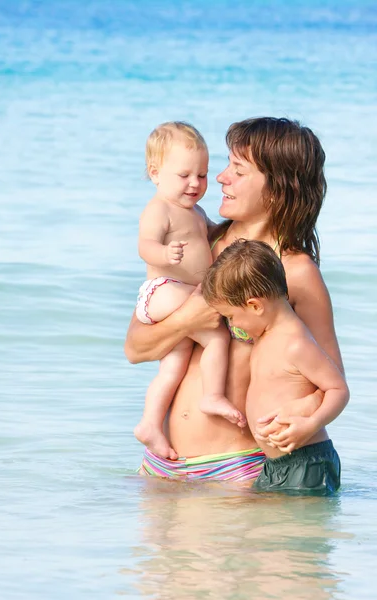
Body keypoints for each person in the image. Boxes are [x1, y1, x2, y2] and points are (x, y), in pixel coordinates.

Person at [125, 116, 345, 486]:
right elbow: (135, 348)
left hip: (234, 467)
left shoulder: (294, 271)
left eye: (238, 170)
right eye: (226, 166)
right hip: (163, 463)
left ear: (276, 188)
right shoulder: (202, 247)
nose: (222, 178)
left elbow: (331, 379)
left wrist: (302, 418)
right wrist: (189, 318)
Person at [134, 121, 245, 461]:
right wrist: (163, 254)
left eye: (202, 175)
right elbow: (144, 244)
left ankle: (150, 424)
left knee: (174, 365)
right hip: (163, 289)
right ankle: (212, 395)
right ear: (155, 174)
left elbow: (206, 232)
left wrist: (225, 229)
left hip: (175, 293)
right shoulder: (159, 209)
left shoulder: (194, 211)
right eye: (184, 175)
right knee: (217, 335)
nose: (195, 184)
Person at [202, 239, 349, 493]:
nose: (233, 323)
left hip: (307, 460)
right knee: (271, 529)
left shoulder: (294, 343)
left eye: (231, 316)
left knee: (298, 531)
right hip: (278, 463)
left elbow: (338, 390)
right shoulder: (265, 335)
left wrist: (311, 424)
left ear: (255, 306)